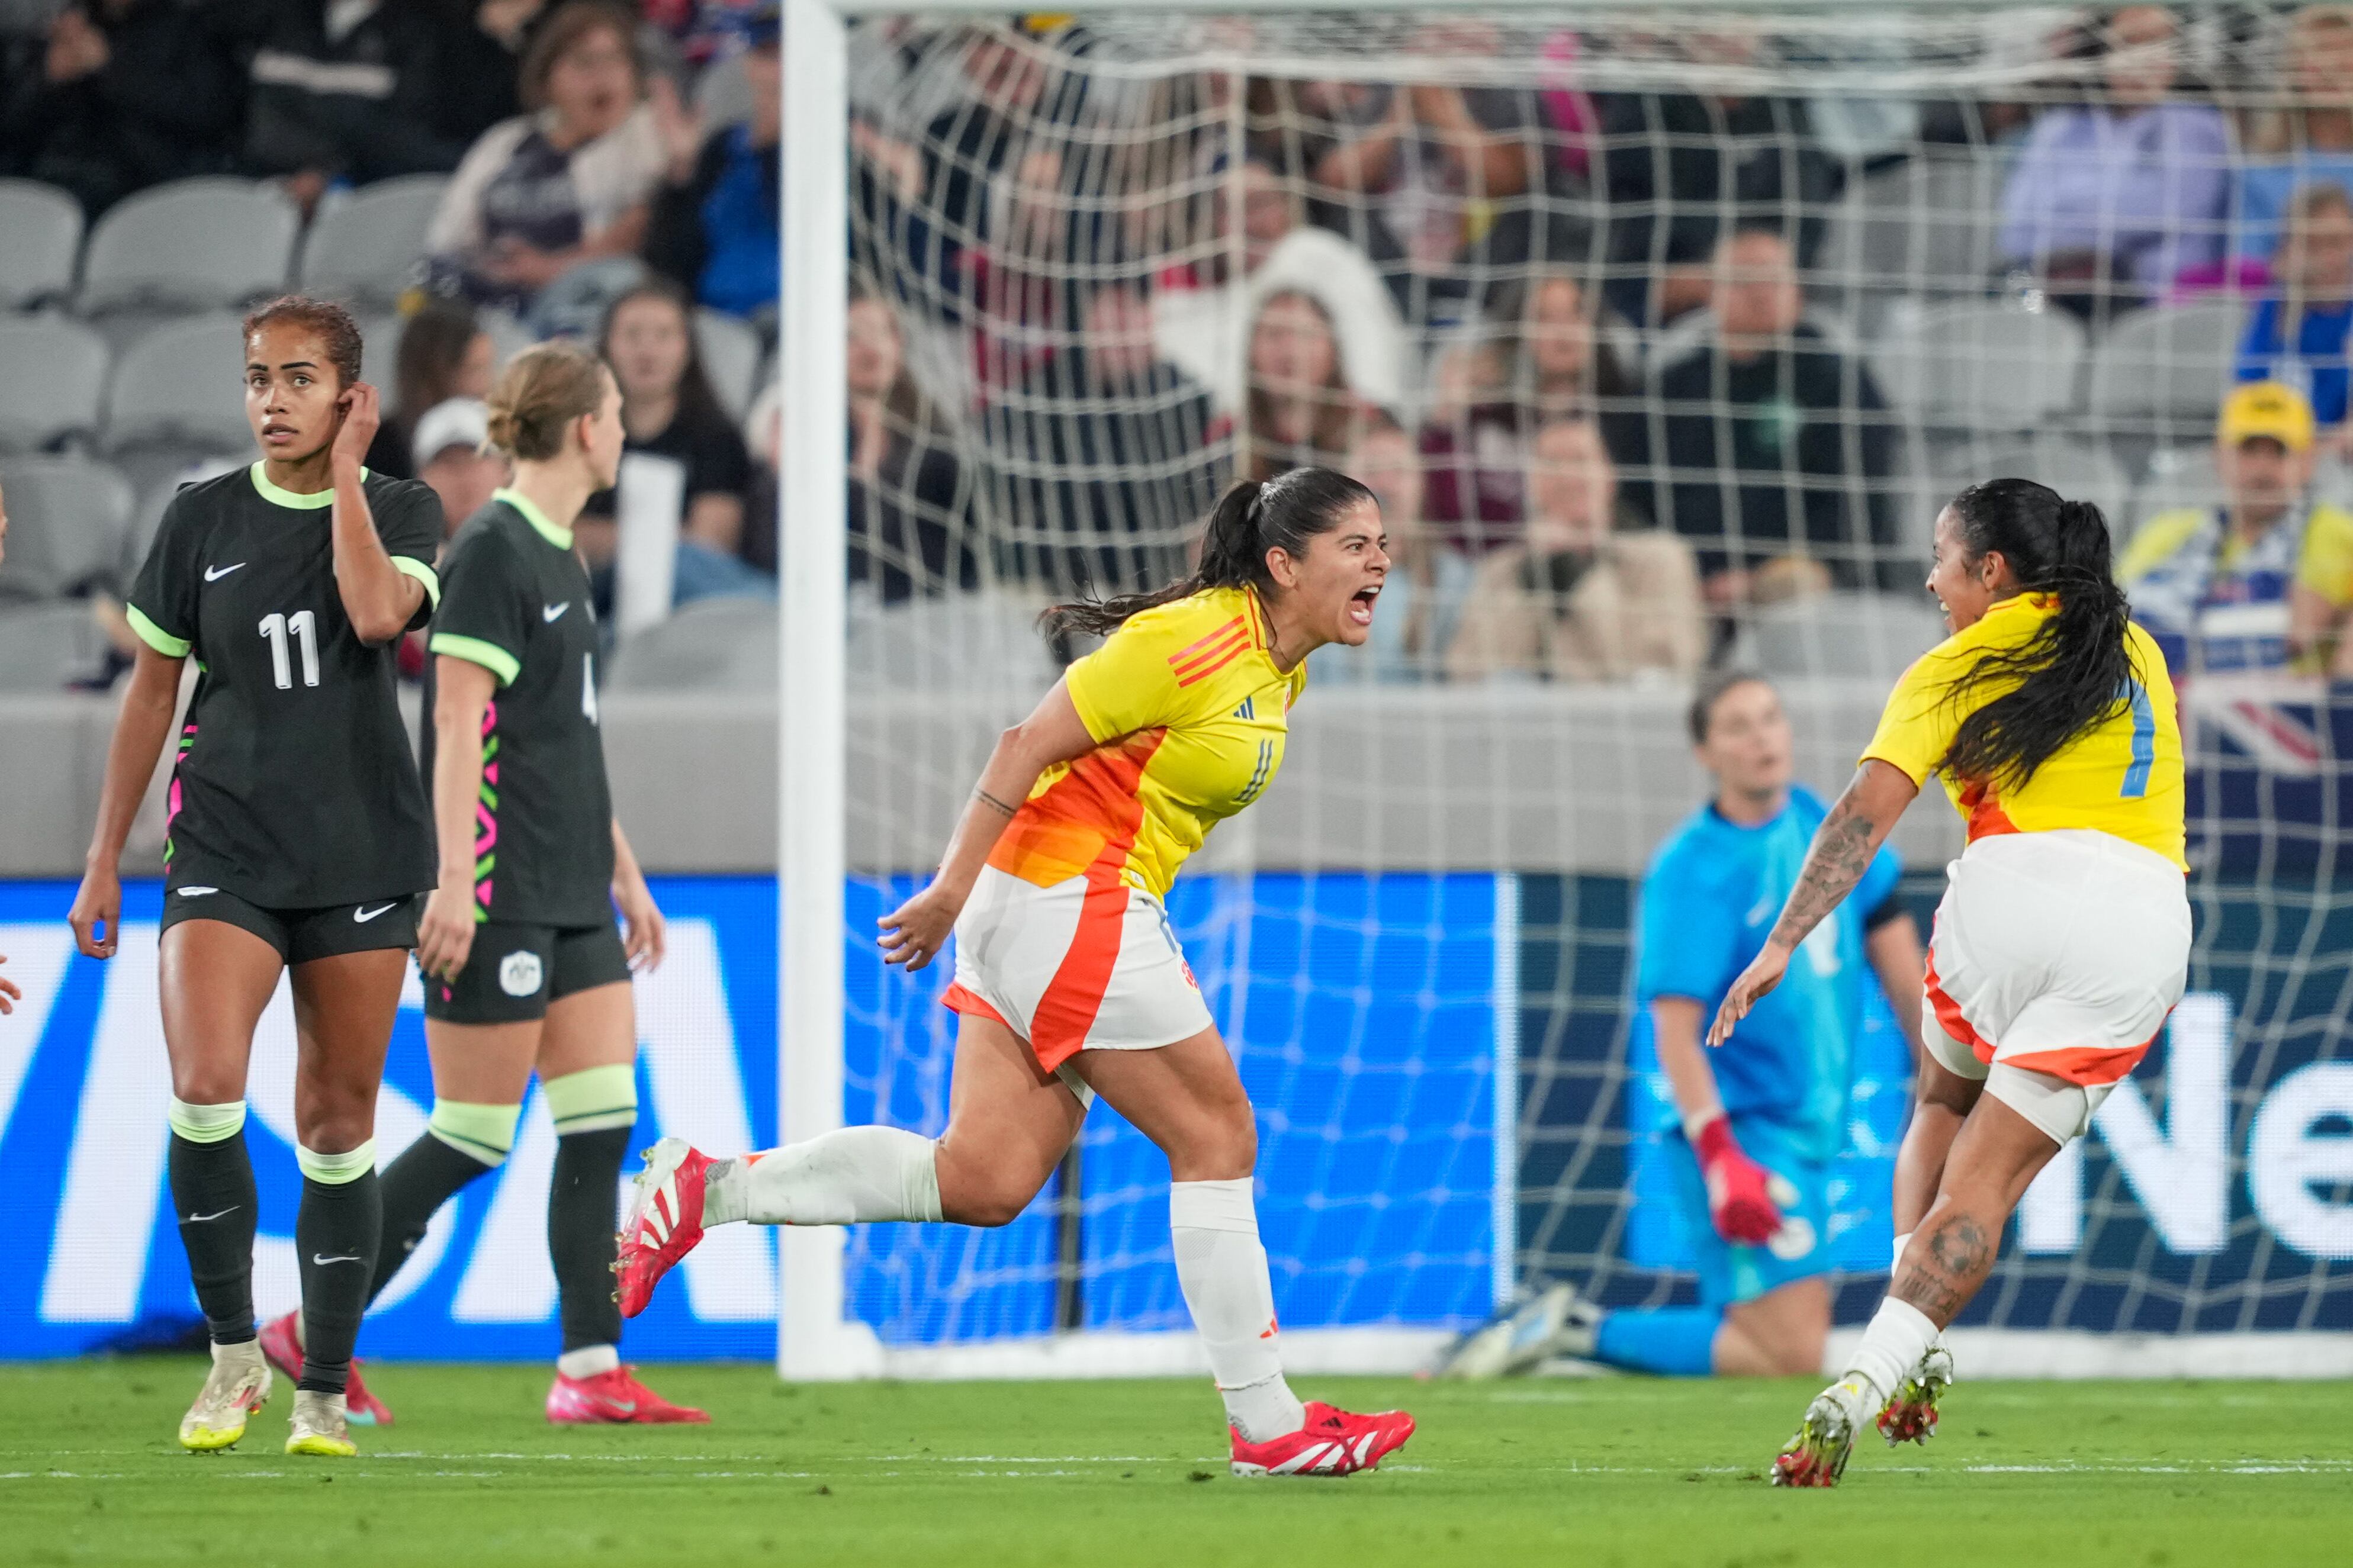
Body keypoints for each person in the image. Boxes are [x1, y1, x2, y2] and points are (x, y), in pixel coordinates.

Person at [610, 468, 1420, 1477]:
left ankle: (708, 1189)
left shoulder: (1279, 666)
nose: (1380, 561)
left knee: (982, 1178)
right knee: (1217, 1134)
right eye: (1355, 544)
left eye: (1382, 542)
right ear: (1284, 564)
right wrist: (947, 891)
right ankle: (1266, 1423)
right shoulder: (1190, 639)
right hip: (1068, 895)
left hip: (1048, 903)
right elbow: (1023, 742)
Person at [255, 342, 701, 1425]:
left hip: (572, 887)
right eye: (613, 414)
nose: (622, 431)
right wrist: (453, 882)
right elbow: (457, 721)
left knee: (601, 1121)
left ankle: (588, 1368)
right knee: (472, 1131)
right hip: (497, 885)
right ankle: (312, 1327)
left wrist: (626, 873)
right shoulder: (494, 550)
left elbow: (561, 738)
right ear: (585, 427)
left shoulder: (561, 553)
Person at [1712, 478, 2188, 1486]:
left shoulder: (1952, 662)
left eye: (1942, 559)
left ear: (1990, 569)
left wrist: (1783, 940)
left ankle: (1905, 1336)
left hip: (2008, 896)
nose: (1931, 581)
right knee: (1987, 1185)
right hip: (2138, 919)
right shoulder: (2134, 648)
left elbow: (1861, 812)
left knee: (1938, 1102)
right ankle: (1872, 1373)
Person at [65, 297, 445, 1457]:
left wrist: (348, 478)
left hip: (361, 851)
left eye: (297, 379)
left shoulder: (404, 508)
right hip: (223, 843)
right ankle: (233, 1355)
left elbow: (377, 615)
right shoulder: (199, 516)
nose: (271, 400)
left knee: (336, 1120)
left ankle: (321, 1384)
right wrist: (103, 857)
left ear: (348, 395)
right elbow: (150, 693)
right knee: (205, 1082)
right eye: (256, 378)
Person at [1583, 672, 1922, 1377]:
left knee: (1784, 1346)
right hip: (1745, 1132)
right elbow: (1673, 1033)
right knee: (1786, 1353)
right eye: (1737, 727)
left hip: (1815, 1128)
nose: (1760, 738)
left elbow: (1897, 963)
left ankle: (1576, 1329)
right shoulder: (1690, 869)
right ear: (1705, 753)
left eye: (1769, 718)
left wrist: (1941, 1077)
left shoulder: (1823, 826)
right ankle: (1579, 1331)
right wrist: (1720, 1157)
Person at [1643, 228, 1898, 606]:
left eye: (1773, 279)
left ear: (1797, 291)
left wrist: (1752, 579)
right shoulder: (1673, 388)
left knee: (1795, 583)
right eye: (1745, 280)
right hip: (1682, 578)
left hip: (1801, 573)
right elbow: (1642, 494)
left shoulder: (1838, 382)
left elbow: (1859, 505)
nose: (1761, 293)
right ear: (1711, 292)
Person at [422, 0, 665, 315]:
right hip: (488, 295)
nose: (603, 76)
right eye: (584, 62)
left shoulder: (646, 134)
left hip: (580, 305)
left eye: (615, 59)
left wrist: (550, 269)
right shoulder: (505, 141)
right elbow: (447, 238)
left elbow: (644, 226)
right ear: (548, 76)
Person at [1997, 5, 2230, 320]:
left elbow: (2170, 211)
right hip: (2057, 298)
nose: (2142, 59)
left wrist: (2069, 212)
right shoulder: (2059, 128)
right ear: (2099, 54)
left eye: (2159, 45)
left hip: (2162, 305)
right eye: (2128, 44)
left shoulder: (2201, 129)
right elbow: (2018, 228)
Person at [2121, 381, 2353, 675]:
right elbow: (2118, 619)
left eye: (2280, 451)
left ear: (2308, 462)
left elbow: (2294, 634)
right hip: (2168, 694)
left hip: (2276, 700)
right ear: (2219, 456)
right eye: (2249, 449)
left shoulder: (2331, 530)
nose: (2263, 468)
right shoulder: (2169, 532)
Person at [1445, 417, 1702, 682]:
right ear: (1532, 483)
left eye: (1580, 460)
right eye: (1552, 463)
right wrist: (1534, 574)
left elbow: (1661, 667)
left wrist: (1577, 573)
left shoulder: (1659, 558)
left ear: (1609, 475)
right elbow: (1469, 672)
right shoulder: (1502, 567)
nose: (1567, 475)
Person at [1418, 268, 1641, 555]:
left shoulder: (1628, 417)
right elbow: (1452, 516)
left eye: (1576, 312)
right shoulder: (1486, 423)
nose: (1564, 330)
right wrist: (1448, 417)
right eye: (1544, 317)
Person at [580, 277, 766, 604]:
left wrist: (601, 537)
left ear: (687, 348)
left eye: (664, 335)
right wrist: (667, 539)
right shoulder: (578, 436)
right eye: (632, 335)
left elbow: (709, 547)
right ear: (607, 346)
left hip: (688, 604)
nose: (647, 351)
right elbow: (555, 534)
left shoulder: (717, 438)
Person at [0, 0, 246, 215]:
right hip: (51, 183)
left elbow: (208, 114)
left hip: (147, 190)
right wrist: (47, 78)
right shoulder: (69, 25)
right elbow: (15, 126)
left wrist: (109, 68)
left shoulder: (189, 28)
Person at [644, 5, 781, 319]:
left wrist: (772, 147)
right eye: (768, 55)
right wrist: (681, 173)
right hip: (715, 316)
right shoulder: (723, 146)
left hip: (806, 312)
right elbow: (670, 262)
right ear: (749, 65)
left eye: (791, 54)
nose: (780, 71)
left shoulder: (844, 142)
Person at [2236, 184, 2353, 442]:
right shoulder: (2276, 306)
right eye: (2312, 246)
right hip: (2283, 451)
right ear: (2288, 252)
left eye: (2337, 242)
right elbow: (2246, 392)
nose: (2327, 258)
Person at [367, 304, 496, 479]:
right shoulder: (378, 454)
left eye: (487, 368)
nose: (487, 385)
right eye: (474, 370)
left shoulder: (499, 442)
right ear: (436, 375)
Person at [1245, 289, 1362, 482]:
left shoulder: (1373, 428)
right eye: (1274, 335)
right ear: (1251, 350)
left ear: (1333, 349)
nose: (1291, 352)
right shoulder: (1227, 439)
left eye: (1306, 335)